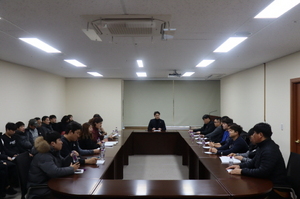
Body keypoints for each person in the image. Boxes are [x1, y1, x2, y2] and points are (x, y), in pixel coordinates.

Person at [227, 123, 290, 199]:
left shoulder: (269, 150)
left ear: (260, 135)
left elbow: (262, 172)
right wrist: (240, 166)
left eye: (254, 133)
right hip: (264, 182)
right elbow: (253, 162)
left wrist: (242, 171)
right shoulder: (262, 146)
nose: (252, 136)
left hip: (274, 188)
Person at [27, 132, 80, 199]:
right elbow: (54, 172)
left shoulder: (53, 151)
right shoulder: (44, 155)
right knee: (69, 191)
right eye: (59, 140)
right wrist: (71, 169)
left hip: (50, 182)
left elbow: (61, 163)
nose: (62, 142)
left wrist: (70, 156)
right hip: (40, 187)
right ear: (53, 143)